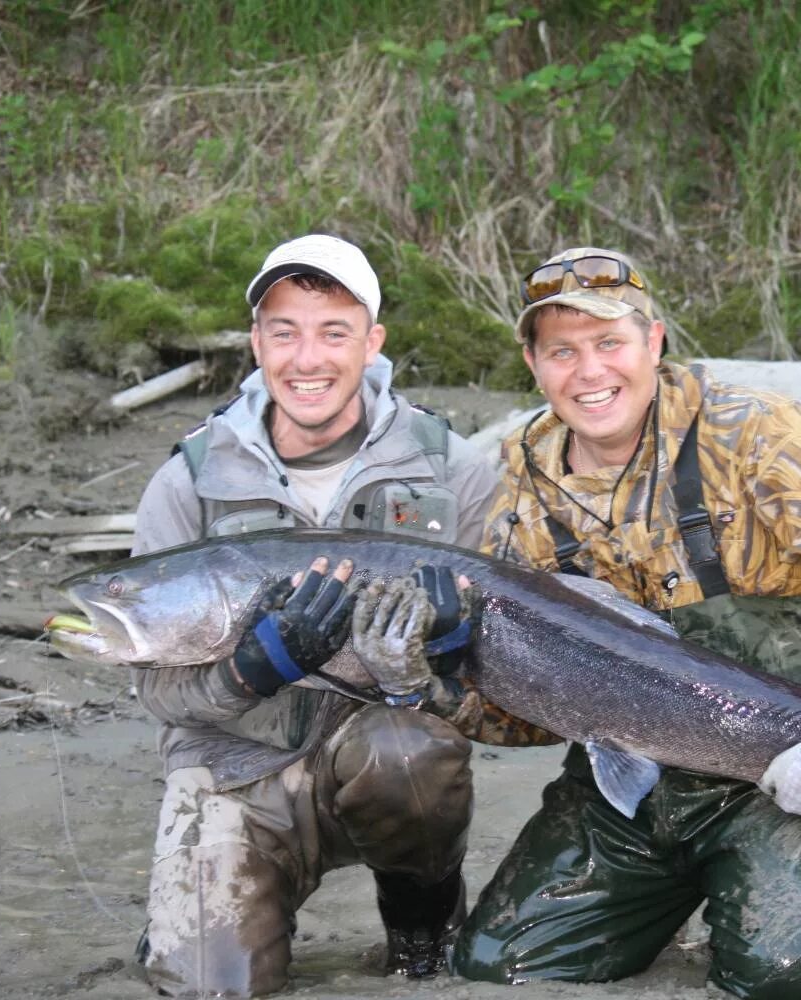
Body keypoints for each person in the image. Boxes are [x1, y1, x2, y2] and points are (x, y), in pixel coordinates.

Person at [422, 246, 801, 999]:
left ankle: (758, 880)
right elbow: (529, 721)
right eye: (562, 351)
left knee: (786, 978)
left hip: (783, 772)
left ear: (653, 342)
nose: (589, 372)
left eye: (609, 343)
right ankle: (676, 887)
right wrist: (448, 674)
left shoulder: (754, 432)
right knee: (498, 965)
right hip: (629, 785)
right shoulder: (520, 486)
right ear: (533, 363)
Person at [127, 234, 499, 997]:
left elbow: (493, 676)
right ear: (257, 341)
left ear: (373, 342)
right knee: (206, 985)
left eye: (334, 332)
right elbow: (157, 690)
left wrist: (446, 649)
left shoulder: (453, 468)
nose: (308, 359)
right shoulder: (186, 483)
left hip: (380, 754)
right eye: (284, 331)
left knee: (411, 756)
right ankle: (206, 909)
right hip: (235, 773)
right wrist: (247, 670)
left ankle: (422, 924)